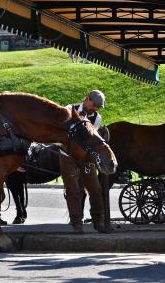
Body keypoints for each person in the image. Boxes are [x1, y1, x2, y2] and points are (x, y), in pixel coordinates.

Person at [62, 89, 107, 232]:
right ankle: (76, 223)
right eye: (94, 105)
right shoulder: (69, 109)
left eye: (98, 107)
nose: (95, 109)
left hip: (85, 156)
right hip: (67, 155)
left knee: (95, 188)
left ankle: (98, 220)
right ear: (87, 99)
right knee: (73, 189)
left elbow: (92, 138)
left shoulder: (97, 118)